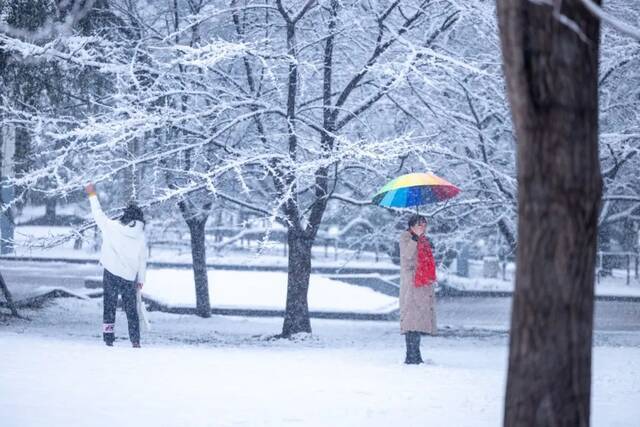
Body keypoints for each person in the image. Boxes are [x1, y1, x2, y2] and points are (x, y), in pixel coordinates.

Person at [85, 183, 148, 348]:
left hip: (111, 273)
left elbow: (98, 214)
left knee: (109, 306)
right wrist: (141, 279)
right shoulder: (140, 237)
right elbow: (142, 259)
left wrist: (92, 195)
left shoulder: (112, 227)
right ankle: (135, 340)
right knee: (131, 310)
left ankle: (108, 337)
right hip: (129, 276)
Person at [399, 214, 437, 364]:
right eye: (420, 224)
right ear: (412, 225)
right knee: (411, 319)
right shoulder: (405, 237)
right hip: (412, 283)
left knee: (418, 320)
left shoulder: (424, 239)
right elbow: (407, 255)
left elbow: (427, 260)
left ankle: (416, 354)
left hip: (422, 283)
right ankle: (411, 355)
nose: (423, 227)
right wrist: (415, 239)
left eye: (424, 224)